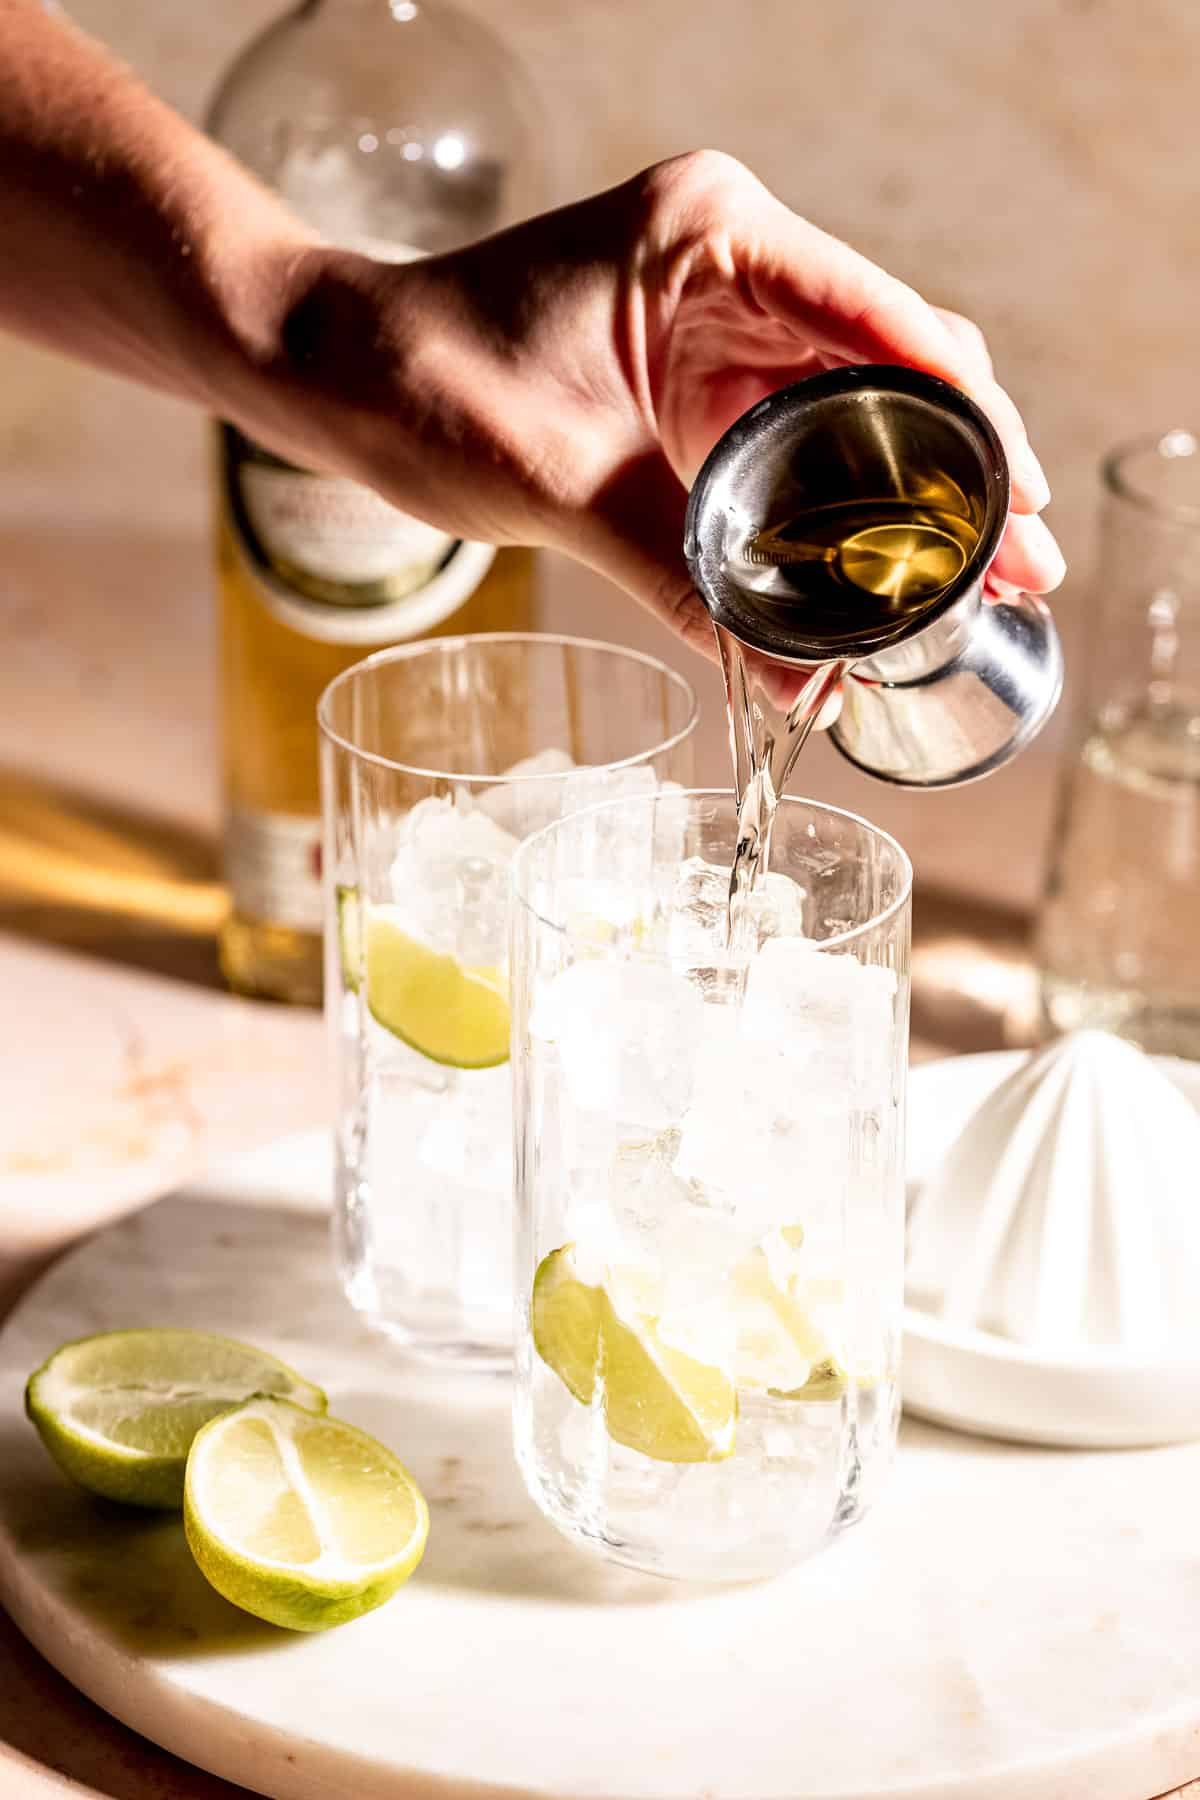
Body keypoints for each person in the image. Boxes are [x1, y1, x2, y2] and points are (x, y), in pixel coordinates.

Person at [0, 0, 1063, 679]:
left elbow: (289, 327)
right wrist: (302, 333)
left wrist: (307, 338)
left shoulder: (472, 92)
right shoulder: (301, 78)